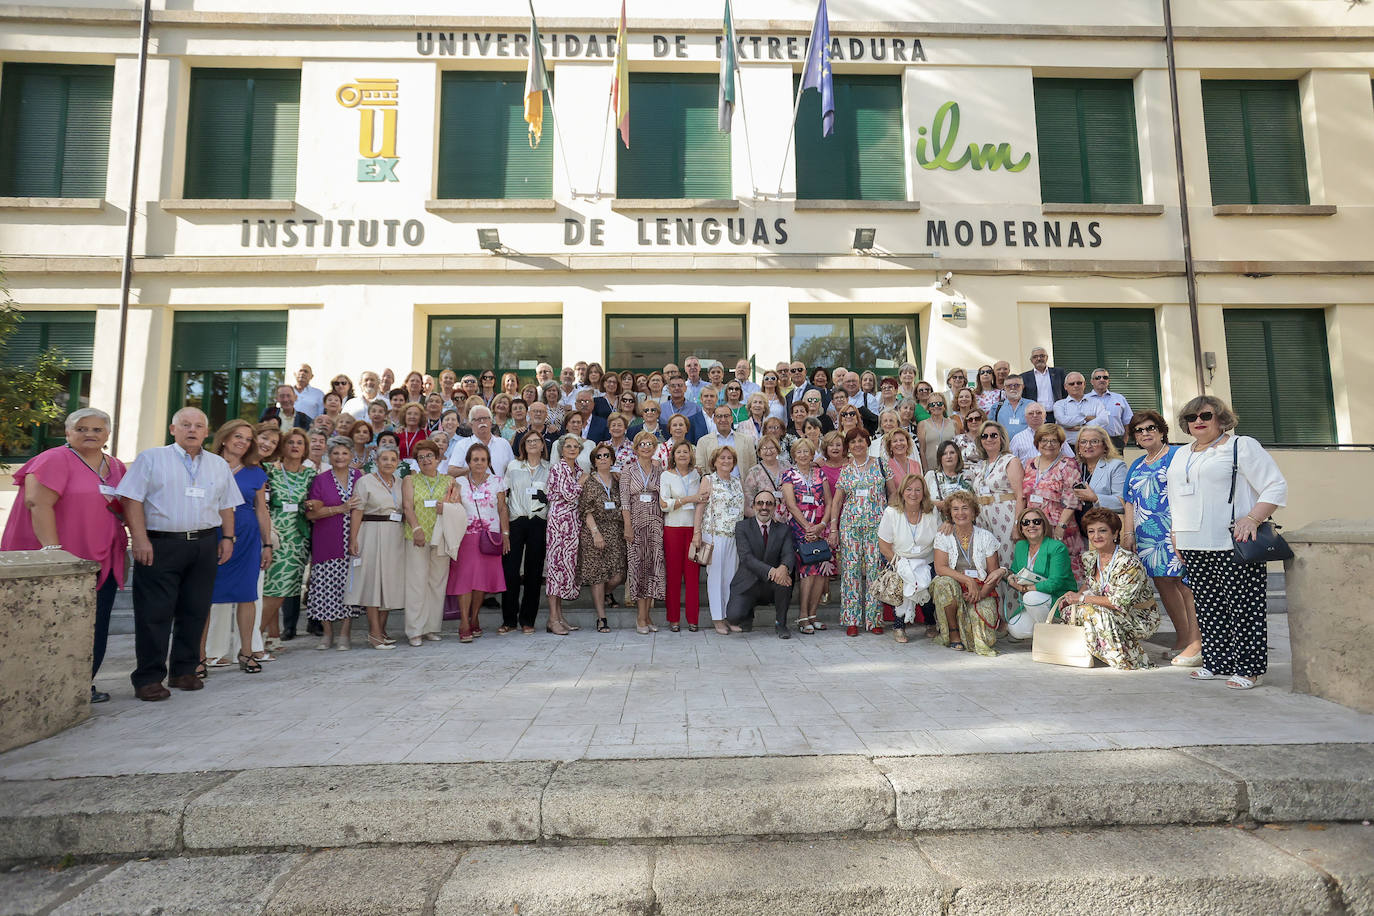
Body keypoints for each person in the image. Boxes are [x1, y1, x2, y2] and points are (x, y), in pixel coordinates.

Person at [2, 407, 128, 703]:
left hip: (104, 559)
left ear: (107, 434)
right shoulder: (53, 459)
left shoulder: (117, 466)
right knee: (49, 628)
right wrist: (53, 552)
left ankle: (83, 685)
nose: (90, 434)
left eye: (98, 429)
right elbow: (38, 503)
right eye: (82, 428)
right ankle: (43, 690)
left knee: (96, 626)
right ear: (68, 433)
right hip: (61, 562)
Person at [116, 408, 241, 700]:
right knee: (154, 614)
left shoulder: (217, 465)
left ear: (207, 432)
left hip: (205, 544)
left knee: (195, 610)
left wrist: (227, 538)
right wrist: (140, 539)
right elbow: (131, 499)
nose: (192, 430)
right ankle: (148, 678)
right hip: (161, 544)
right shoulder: (151, 458)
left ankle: (184, 671)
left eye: (199, 425)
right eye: (185, 424)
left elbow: (226, 505)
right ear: (173, 429)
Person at [1167, 395, 1287, 690]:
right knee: (1208, 605)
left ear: (1221, 419)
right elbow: (1176, 498)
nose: (1198, 421)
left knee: (1244, 608)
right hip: (1193, 541)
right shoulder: (1182, 453)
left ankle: (1249, 668)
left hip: (1232, 540)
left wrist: (1253, 518)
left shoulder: (1240, 446)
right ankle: (1217, 662)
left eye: (1206, 416)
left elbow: (1275, 485)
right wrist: (1176, 534)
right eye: (1192, 417)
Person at [1122, 410, 1201, 665]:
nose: (1145, 433)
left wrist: (1181, 528)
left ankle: (1197, 642)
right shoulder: (1137, 464)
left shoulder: (1178, 455)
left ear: (1161, 430)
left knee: (1185, 584)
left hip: (1173, 529)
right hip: (1147, 534)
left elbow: (1190, 491)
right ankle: (1182, 637)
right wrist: (1128, 532)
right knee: (1164, 583)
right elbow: (1129, 501)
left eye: (1150, 428)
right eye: (1139, 430)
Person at [204, 420, 272, 674]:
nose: (242, 442)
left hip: (247, 537)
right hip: (211, 534)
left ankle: (245, 652)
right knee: (206, 596)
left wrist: (267, 544)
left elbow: (262, 511)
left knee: (247, 595)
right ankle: (200, 656)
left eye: (247, 438)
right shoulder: (205, 465)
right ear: (224, 438)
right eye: (238, 436)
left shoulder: (255, 472)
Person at [1055, 508, 1161, 670]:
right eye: (1091, 531)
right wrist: (1076, 595)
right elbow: (1089, 585)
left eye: (1102, 531)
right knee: (1069, 609)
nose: (1096, 536)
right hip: (1106, 607)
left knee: (1091, 612)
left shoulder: (1128, 562)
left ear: (1115, 533)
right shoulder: (1090, 557)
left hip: (1138, 615)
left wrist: (1083, 599)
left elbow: (1120, 603)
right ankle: (1095, 650)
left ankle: (1126, 659)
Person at [443, 442, 508, 641]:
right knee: (464, 581)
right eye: (475, 459)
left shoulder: (497, 481)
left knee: (481, 581)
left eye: (483, 459)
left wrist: (505, 535)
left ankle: (475, 618)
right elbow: (451, 506)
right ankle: (464, 622)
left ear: (488, 462)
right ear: (468, 462)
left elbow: (502, 509)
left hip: (490, 537)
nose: (479, 463)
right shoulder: (458, 482)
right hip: (465, 537)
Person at [931, 491, 1006, 656]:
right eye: (955, 509)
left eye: (965, 508)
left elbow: (993, 574)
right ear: (950, 513)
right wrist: (967, 580)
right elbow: (940, 568)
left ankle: (971, 632)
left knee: (981, 639)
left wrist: (980, 594)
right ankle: (953, 632)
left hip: (982, 589)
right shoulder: (943, 536)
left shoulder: (986, 537)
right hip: (955, 587)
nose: (960, 513)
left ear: (974, 512)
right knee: (943, 583)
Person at [345, 444, 406, 650]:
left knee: (388, 582)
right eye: (384, 459)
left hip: (395, 534)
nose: (388, 462)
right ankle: (374, 632)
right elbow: (357, 511)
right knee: (372, 581)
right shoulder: (365, 481)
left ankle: (382, 629)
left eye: (392, 459)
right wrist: (353, 539)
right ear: (377, 461)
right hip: (371, 532)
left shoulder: (400, 482)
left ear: (397, 462)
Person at [304, 437, 362, 651]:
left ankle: (345, 634)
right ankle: (327, 634)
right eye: (336, 453)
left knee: (350, 588)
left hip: (353, 539)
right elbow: (311, 514)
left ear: (351, 455)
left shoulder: (359, 477)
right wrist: (340, 508)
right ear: (330, 455)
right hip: (327, 539)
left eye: (344, 453)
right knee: (324, 588)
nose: (340, 457)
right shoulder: (321, 479)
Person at [830, 428, 889, 636]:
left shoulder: (882, 464)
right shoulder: (846, 470)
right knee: (851, 572)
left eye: (861, 441)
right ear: (849, 446)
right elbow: (837, 500)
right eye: (853, 442)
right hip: (850, 526)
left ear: (867, 442)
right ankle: (852, 619)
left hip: (877, 526)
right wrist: (833, 528)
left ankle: (874, 619)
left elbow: (892, 495)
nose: (857, 445)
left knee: (875, 570)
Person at [261, 428, 313, 646]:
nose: (294, 446)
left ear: (305, 449)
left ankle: (271, 635)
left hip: (298, 536)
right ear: (282, 446)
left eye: (299, 443)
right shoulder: (269, 471)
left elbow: (316, 502)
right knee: (271, 586)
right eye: (290, 442)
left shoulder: (310, 474)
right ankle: (257, 635)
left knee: (283, 587)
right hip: (273, 533)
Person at [401, 439, 455, 645]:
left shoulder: (449, 480)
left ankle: (432, 628)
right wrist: (416, 529)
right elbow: (407, 507)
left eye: (429, 456)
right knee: (416, 583)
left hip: (441, 537)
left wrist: (447, 507)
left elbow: (456, 504)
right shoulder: (410, 480)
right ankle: (415, 630)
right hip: (417, 537)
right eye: (421, 457)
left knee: (437, 583)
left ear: (438, 458)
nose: (425, 460)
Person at [723, 491, 796, 638]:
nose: (764, 507)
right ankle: (748, 613)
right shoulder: (742, 527)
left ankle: (781, 624)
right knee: (734, 617)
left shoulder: (784, 529)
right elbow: (747, 558)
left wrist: (784, 568)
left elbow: (789, 554)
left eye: (769, 503)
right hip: (748, 582)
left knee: (785, 579)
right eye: (760, 503)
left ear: (775, 507)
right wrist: (773, 571)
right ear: (754, 506)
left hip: (773, 583)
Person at [779, 439, 833, 634]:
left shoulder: (820, 474)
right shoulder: (788, 475)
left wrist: (822, 525)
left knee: (820, 572)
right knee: (807, 573)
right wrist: (808, 527)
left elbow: (829, 502)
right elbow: (791, 505)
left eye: (806, 451)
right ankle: (802, 616)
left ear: (812, 454)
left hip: (821, 529)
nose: (803, 455)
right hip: (800, 529)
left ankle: (813, 614)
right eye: (799, 451)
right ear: (794, 454)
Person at [877, 473, 939, 643]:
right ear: (902, 491)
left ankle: (930, 621)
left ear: (924, 493)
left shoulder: (932, 512)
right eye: (909, 489)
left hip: (926, 560)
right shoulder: (891, 513)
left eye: (918, 490)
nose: (913, 494)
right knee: (906, 579)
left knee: (927, 580)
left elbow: (939, 540)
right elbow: (884, 545)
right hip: (899, 560)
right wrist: (901, 566)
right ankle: (899, 625)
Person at [501, 433, 552, 634]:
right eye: (528, 441)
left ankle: (527, 619)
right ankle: (509, 620)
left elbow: (553, 496)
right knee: (510, 572)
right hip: (516, 521)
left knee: (534, 572)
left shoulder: (549, 468)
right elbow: (504, 494)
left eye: (536, 441)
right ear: (523, 446)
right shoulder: (513, 466)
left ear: (542, 446)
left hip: (539, 522)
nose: (532, 444)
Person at [693, 444, 745, 635]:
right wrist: (696, 533)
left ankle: (730, 616)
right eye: (722, 458)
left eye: (729, 458)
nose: (726, 461)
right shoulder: (708, 480)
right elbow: (700, 507)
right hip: (714, 536)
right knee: (716, 578)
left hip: (734, 536)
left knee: (731, 578)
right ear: (714, 461)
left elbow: (743, 509)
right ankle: (717, 618)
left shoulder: (737, 481)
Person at [579, 444, 628, 633]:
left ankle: (607, 593)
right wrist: (595, 532)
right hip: (595, 531)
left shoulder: (617, 481)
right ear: (594, 461)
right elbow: (585, 509)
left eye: (606, 455)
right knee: (598, 575)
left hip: (615, 531)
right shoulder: (589, 481)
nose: (603, 459)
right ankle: (602, 618)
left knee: (618, 575)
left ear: (612, 459)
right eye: (598, 456)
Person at [621, 431, 666, 634]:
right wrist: (627, 526)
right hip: (636, 523)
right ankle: (640, 617)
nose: (646, 447)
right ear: (636, 447)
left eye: (650, 443)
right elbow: (624, 502)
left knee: (653, 568)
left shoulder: (659, 469)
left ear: (655, 447)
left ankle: (647, 615)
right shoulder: (628, 470)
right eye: (642, 443)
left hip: (656, 523)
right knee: (638, 568)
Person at [660, 440, 703, 632]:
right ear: (673, 456)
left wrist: (698, 530)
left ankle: (693, 619)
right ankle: (674, 619)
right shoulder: (666, 476)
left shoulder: (697, 475)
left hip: (693, 529)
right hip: (673, 529)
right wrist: (688, 499)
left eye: (686, 452)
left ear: (690, 455)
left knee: (693, 576)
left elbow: (702, 502)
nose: (683, 455)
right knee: (674, 575)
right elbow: (664, 505)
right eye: (679, 452)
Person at [544, 435, 584, 634]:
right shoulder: (558, 468)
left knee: (565, 568)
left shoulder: (577, 469)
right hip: (559, 524)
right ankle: (552, 618)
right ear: (561, 449)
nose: (572, 449)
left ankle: (559, 617)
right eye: (568, 446)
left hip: (573, 524)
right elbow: (569, 494)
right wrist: (583, 481)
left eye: (575, 446)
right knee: (555, 569)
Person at [969, 420, 1024, 564]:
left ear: (1001, 438)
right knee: (989, 562)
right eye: (984, 436)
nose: (989, 439)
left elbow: (1020, 496)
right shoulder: (983, 464)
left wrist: (1017, 525)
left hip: (1005, 516)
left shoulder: (1010, 461)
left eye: (994, 435)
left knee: (1006, 560)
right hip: (983, 519)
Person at [1006, 506, 1077, 611]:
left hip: (1058, 599)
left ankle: (1052, 625)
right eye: (1026, 522)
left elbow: (1055, 583)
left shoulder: (1057, 547)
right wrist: (1008, 576)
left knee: (1030, 598)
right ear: (1021, 528)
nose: (1031, 525)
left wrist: (1025, 589)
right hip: (1034, 601)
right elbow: (1015, 571)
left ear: (1044, 525)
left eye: (1036, 522)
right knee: (1015, 627)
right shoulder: (1020, 546)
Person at [447, 405, 515, 478]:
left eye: (485, 418)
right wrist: (472, 468)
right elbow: (451, 471)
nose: (482, 422)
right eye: (478, 419)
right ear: (471, 424)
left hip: (499, 489)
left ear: (491, 422)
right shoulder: (462, 445)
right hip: (471, 489)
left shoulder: (503, 444)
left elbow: (512, 471)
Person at [1073, 426, 1127, 518]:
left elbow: (1122, 503)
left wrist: (1095, 498)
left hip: (1102, 526)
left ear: (1105, 446)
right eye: (1083, 442)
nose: (1088, 445)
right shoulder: (1074, 466)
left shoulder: (1116, 466)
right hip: (1076, 526)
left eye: (1094, 441)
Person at [1083, 367, 1133, 451]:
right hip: (1091, 442)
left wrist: (1124, 441)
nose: (1102, 380)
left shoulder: (1119, 398)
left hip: (1115, 441)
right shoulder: (1084, 400)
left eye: (1105, 377)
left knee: (1116, 464)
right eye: (1098, 378)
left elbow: (1128, 421)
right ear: (1092, 381)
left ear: (1108, 381)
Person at [1010, 401, 1073, 467]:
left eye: (1039, 413)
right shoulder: (1017, 439)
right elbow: (1011, 463)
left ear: (1045, 416)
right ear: (1025, 417)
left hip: (1054, 475)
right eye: (1031, 413)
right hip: (1027, 476)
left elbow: (1070, 459)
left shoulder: (1057, 434)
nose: (1035, 415)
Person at [926, 440, 973, 521]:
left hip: (965, 524)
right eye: (944, 454)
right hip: (939, 525)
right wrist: (938, 504)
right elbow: (921, 502)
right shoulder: (931, 476)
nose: (949, 456)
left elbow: (976, 501)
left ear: (958, 455)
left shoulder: (969, 475)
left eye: (952, 453)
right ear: (940, 457)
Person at [742, 435, 788, 515]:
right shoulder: (754, 472)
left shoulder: (787, 466)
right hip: (765, 517)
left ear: (777, 449)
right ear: (759, 452)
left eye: (771, 448)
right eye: (764, 448)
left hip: (788, 515)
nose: (768, 451)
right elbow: (748, 498)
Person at [1019, 347, 1067, 420]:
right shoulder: (1024, 377)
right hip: (1035, 416)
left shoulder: (1058, 373)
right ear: (1031, 360)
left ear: (1046, 358)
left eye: (1042, 356)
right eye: (1035, 357)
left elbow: (1065, 391)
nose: (1039, 359)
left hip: (1057, 414)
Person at [659, 376, 708, 444]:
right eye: (673, 386)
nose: (677, 388)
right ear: (669, 389)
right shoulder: (661, 409)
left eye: (680, 385)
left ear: (685, 388)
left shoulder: (696, 408)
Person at [1052, 372, 1094, 447]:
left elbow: (1102, 421)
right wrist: (1085, 419)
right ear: (1065, 386)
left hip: (1091, 447)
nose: (1075, 386)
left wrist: (1077, 426)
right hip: (1067, 448)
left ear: (1084, 384)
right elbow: (1063, 421)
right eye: (1071, 384)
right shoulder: (1059, 404)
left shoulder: (1095, 403)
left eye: (1079, 383)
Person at [917, 395, 955, 471]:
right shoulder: (922, 424)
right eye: (932, 404)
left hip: (952, 469)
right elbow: (922, 450)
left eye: (939, 403)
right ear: (928, 408)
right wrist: (926, 470)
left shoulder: (954, 424)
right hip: (932, 469)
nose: (936, 406)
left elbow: (958, 448)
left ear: (944, 406)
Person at [992, 375, 1030, 441]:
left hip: (1026, 446)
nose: (1012, 388)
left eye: (1017, 385)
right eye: (1009, 386)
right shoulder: (996, 407)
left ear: (1023, 386)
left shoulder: (1032, 405)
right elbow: (990, 428)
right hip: (1004, 447)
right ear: (1004, 388)